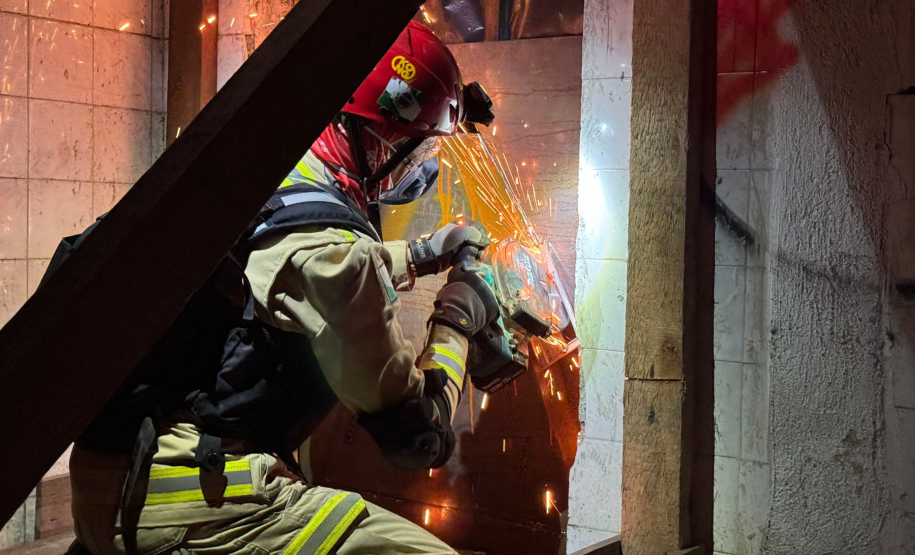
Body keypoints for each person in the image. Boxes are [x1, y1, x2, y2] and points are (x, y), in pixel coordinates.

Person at [67, 20, 497, 555]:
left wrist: (422, 254)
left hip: (111, 478)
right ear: (371, 137)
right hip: (191, 501)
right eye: (411, 154)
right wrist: (459, 312)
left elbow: (291, 269)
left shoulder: (269, 175)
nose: (411, 173)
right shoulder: (333, 250)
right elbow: (416, 438)